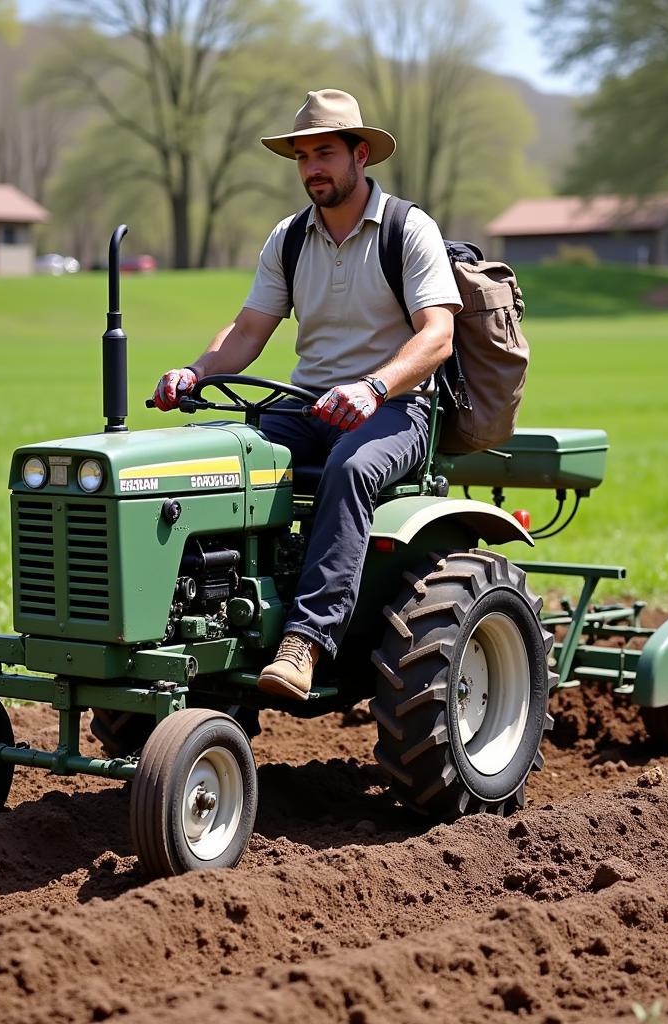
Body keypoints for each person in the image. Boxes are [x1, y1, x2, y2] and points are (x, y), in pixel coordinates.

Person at [152, 88, 461, 701]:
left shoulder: (408, 228)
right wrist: (194, 372)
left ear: (361, 154)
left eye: (325, 151)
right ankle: (184, 625)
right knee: (209, 453)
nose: (313, 167)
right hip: (306, 406)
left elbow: (439, 337)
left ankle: (306, 641)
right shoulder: (289, 239)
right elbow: (247, 333)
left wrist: (374, 387)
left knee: (350, 470)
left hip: (396, 409)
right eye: (302, 156)